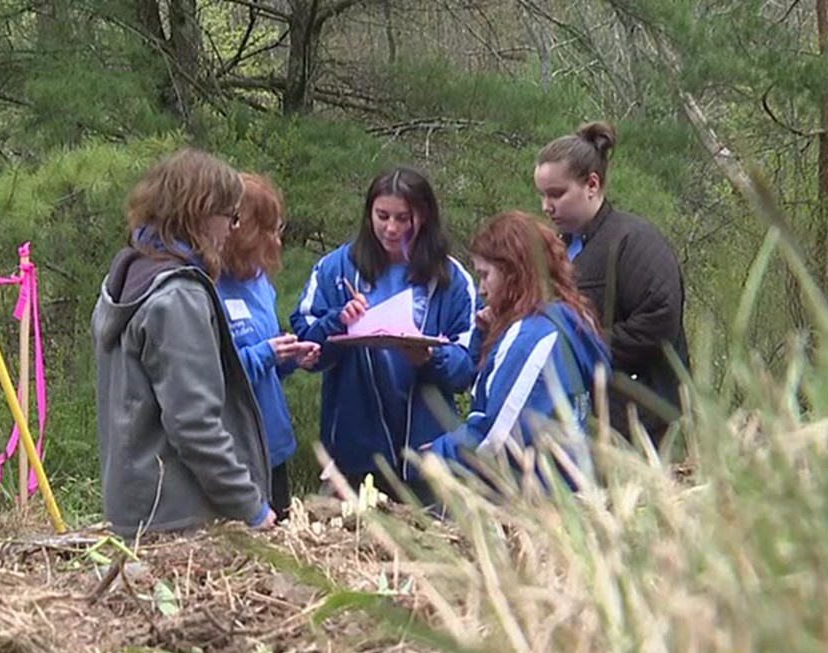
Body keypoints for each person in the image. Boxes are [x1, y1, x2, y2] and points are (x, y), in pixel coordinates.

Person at [92, 149, 275, 538]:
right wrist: (251, 507)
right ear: (201, 214)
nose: (232, 230)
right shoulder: (178, 298)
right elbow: (194, 424)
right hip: (178, 518)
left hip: (138, 511)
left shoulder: (127, 275)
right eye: (231, 217)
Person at [290, 166, 479, 502]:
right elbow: (307, 351)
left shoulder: (451, 279)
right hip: (354, 447)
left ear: (425, 217)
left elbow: (465, 369)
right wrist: (337, 321)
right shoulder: (335, 269)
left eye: (404, 218)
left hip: (425, 452)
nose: (391, 228)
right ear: (369, 215)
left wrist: (431, 357)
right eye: (382, 216)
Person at [421, 211, 610, 488]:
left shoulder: (532, 338)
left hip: (535, 500)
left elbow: (497, 437)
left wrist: (436, 455)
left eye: (486, 275)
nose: (482, 289)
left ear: (513, 273)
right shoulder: (570, 320)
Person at [534, 122, 687, 450]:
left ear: (592, 184)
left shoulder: (636, 242)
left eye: (556, 194)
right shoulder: (555, 250)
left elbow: (658, 323)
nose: (546, 206)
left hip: (641, 422)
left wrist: (579, 346)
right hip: (582, 422)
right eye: (543, 195)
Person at [216, 173, 317, 520]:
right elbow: (210, 375)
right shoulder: (204, 288)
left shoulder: (260, 282)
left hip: (272, 446)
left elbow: (267, 363)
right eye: (266, 230)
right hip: (234, 452)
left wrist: (291, 358)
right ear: (237, 230)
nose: (275, 242)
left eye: (278, 229)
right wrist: (266, 354)